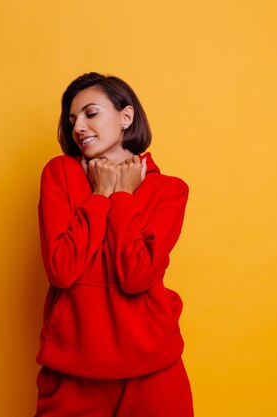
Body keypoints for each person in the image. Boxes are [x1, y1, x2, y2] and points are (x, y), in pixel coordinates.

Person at [35, 72, 193, 417]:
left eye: (91, 113)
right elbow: (62, 269)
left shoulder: (169, 190)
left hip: (153, 369)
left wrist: (121, 196)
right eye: (72, 118)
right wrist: (100, 195)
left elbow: (135, 276)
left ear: (126, 116)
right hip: (73, 367)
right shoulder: (59, 174)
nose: (78, 127)